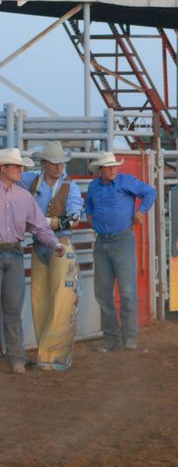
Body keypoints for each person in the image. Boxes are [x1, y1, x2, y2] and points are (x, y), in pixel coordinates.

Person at [0, 148, 65, 374]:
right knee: (11, 308)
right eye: (17, 167)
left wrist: (55, 244)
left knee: (13, 307)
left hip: (15, 253)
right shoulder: (24, 196)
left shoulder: (24, 197)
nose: (22, 170)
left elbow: (40, 226)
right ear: (3, 168)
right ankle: (15, 357)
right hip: (11, 254)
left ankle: (16, 357)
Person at [19, 142, 83, 371]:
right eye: (53, 163)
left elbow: (74, 216)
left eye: (60, 163)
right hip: (42, 245)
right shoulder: (31, 180)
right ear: (44, 163)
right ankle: (46, 354)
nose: (58, 167)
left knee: (60, 302)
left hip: (60, 245)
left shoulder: (69, 186)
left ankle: (48, 355)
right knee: (41, 300)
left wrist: (47, 222)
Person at [85, 152, 156, 352]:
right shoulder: (94, 186)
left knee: (126, 291)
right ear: (100, 169)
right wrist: (94, 219)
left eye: (114, 166)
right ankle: (113, 338)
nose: (112, 169)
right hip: (104, 241)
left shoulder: (125, 181)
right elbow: (88, 207)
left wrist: (141, 211)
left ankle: (128, 336)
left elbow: (150, 192)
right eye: (108, 167)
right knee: (104, 293)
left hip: (121, 239)